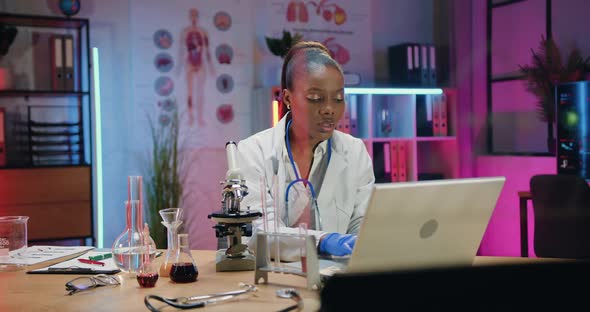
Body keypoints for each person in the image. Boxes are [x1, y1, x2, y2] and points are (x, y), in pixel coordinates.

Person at [238, 41, 375, 261]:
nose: (329, 109)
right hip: (275, 279)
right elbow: (259, 232)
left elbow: (363, 223)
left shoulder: (355, 151)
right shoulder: (252, 152)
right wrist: (323, 241)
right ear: (288, 98)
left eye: (338, 99)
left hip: (337, 278)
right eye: (315, 98)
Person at [178, 8, 215, 127]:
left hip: (201, 63)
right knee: (190, 93)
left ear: (198, 17)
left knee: (200, 93)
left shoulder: (203, 32)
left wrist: (211, 67)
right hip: (189, 63)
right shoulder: (185, 32)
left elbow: (208, 51)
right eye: (192, 16)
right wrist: (179, 66)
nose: (194, 18)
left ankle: (200, 118)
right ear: (189, 17)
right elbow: (181, 50)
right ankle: (190, 118)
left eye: (195, 16)